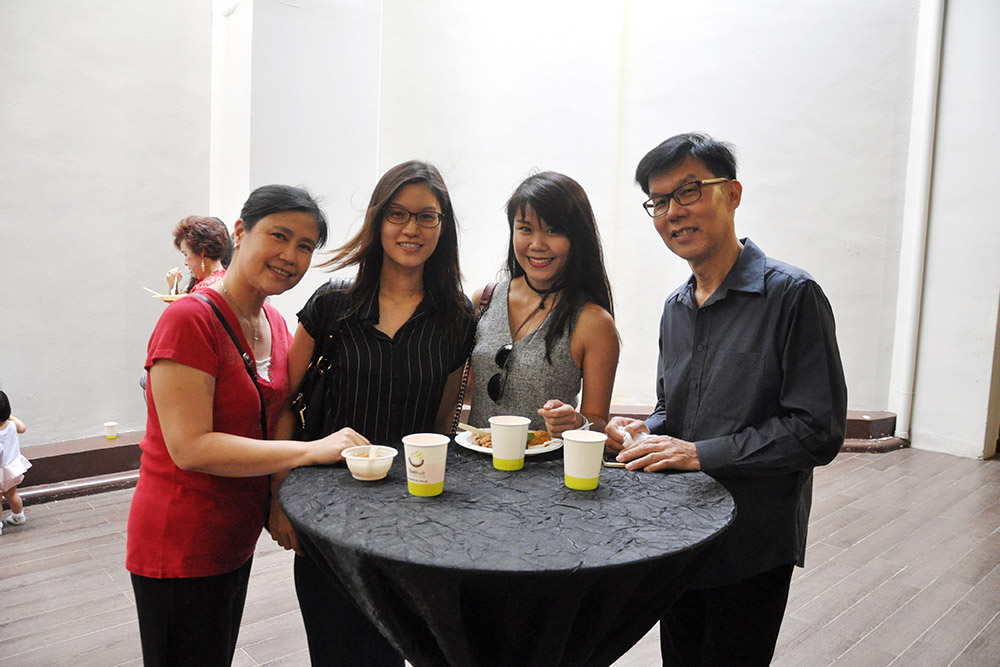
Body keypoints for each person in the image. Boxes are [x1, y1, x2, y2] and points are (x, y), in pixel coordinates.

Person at [606, 132, 847, 666]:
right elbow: (673, 412)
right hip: (680, 532)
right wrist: (644, 432)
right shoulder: (675, 307)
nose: (673, 212)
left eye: (688, 191)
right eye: (659, 201)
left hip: (752, 541)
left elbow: (817, 430)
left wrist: (699, 454)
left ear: (732, 194)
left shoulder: (792, 295)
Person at [126, 185, 371, 667]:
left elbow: (278, 413)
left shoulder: (275, 323)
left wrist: (277, 500)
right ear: (241, 231)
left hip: (234, 536)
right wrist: (312, 450)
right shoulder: (190, 319)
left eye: (305, 246)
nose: (290, 256)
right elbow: (190, 447)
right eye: (279, 236)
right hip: (180, 540)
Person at [267, 160, 475, 666]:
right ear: (378, 220)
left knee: (392, 651)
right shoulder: (332, 304)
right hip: (324, 510)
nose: (411, 229)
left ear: (443, 226)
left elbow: (441, 423)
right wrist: (276, 499)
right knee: (334, 650)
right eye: (397, 214)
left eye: (426, 217)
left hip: (409, 517)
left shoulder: (456, 317)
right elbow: (287, 405)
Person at [468, 171, 619, 437]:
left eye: (553, 230)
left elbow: (597, 422)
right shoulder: (484, 300)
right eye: (525, 229)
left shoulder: (593, 321)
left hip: (548, 462)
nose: (537, 244)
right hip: (476, 458)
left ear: (577, 238)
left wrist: (575, 422)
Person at [165, 215, 233, 294]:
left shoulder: (207, 288)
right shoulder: (223, 280)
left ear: (201, 251)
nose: (185, 263)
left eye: (186, 254)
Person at [0, 390, 30, 533]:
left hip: (0, 473)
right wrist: (9, 417)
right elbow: (22, 428)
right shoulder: (11, 425)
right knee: (12, 495)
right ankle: (18, 517)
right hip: (13, 470)